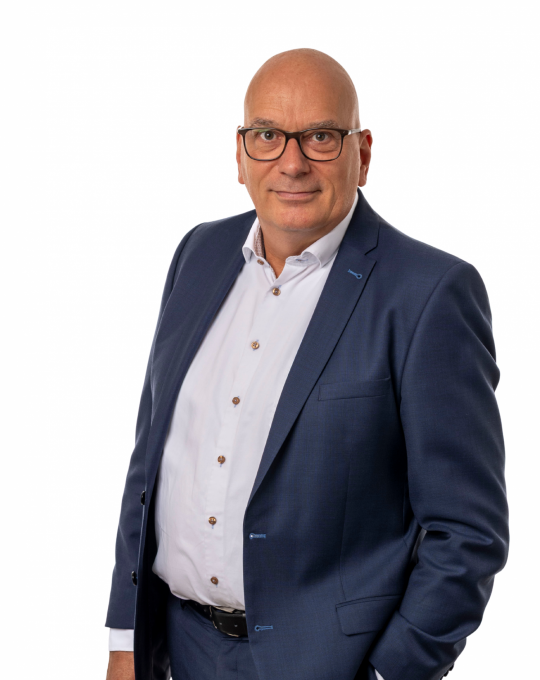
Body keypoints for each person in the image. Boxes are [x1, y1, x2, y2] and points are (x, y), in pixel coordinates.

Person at [105, 48, 509, 680]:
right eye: (267, 135)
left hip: (326, 665)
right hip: (178, 651)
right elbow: (150, 463)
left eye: (321, 137)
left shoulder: (428, 295)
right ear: (240, 154)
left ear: (362, 154)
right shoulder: (198, 253)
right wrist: (125, 638)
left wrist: (389, 673)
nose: (292, 163)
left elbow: (468, 534)